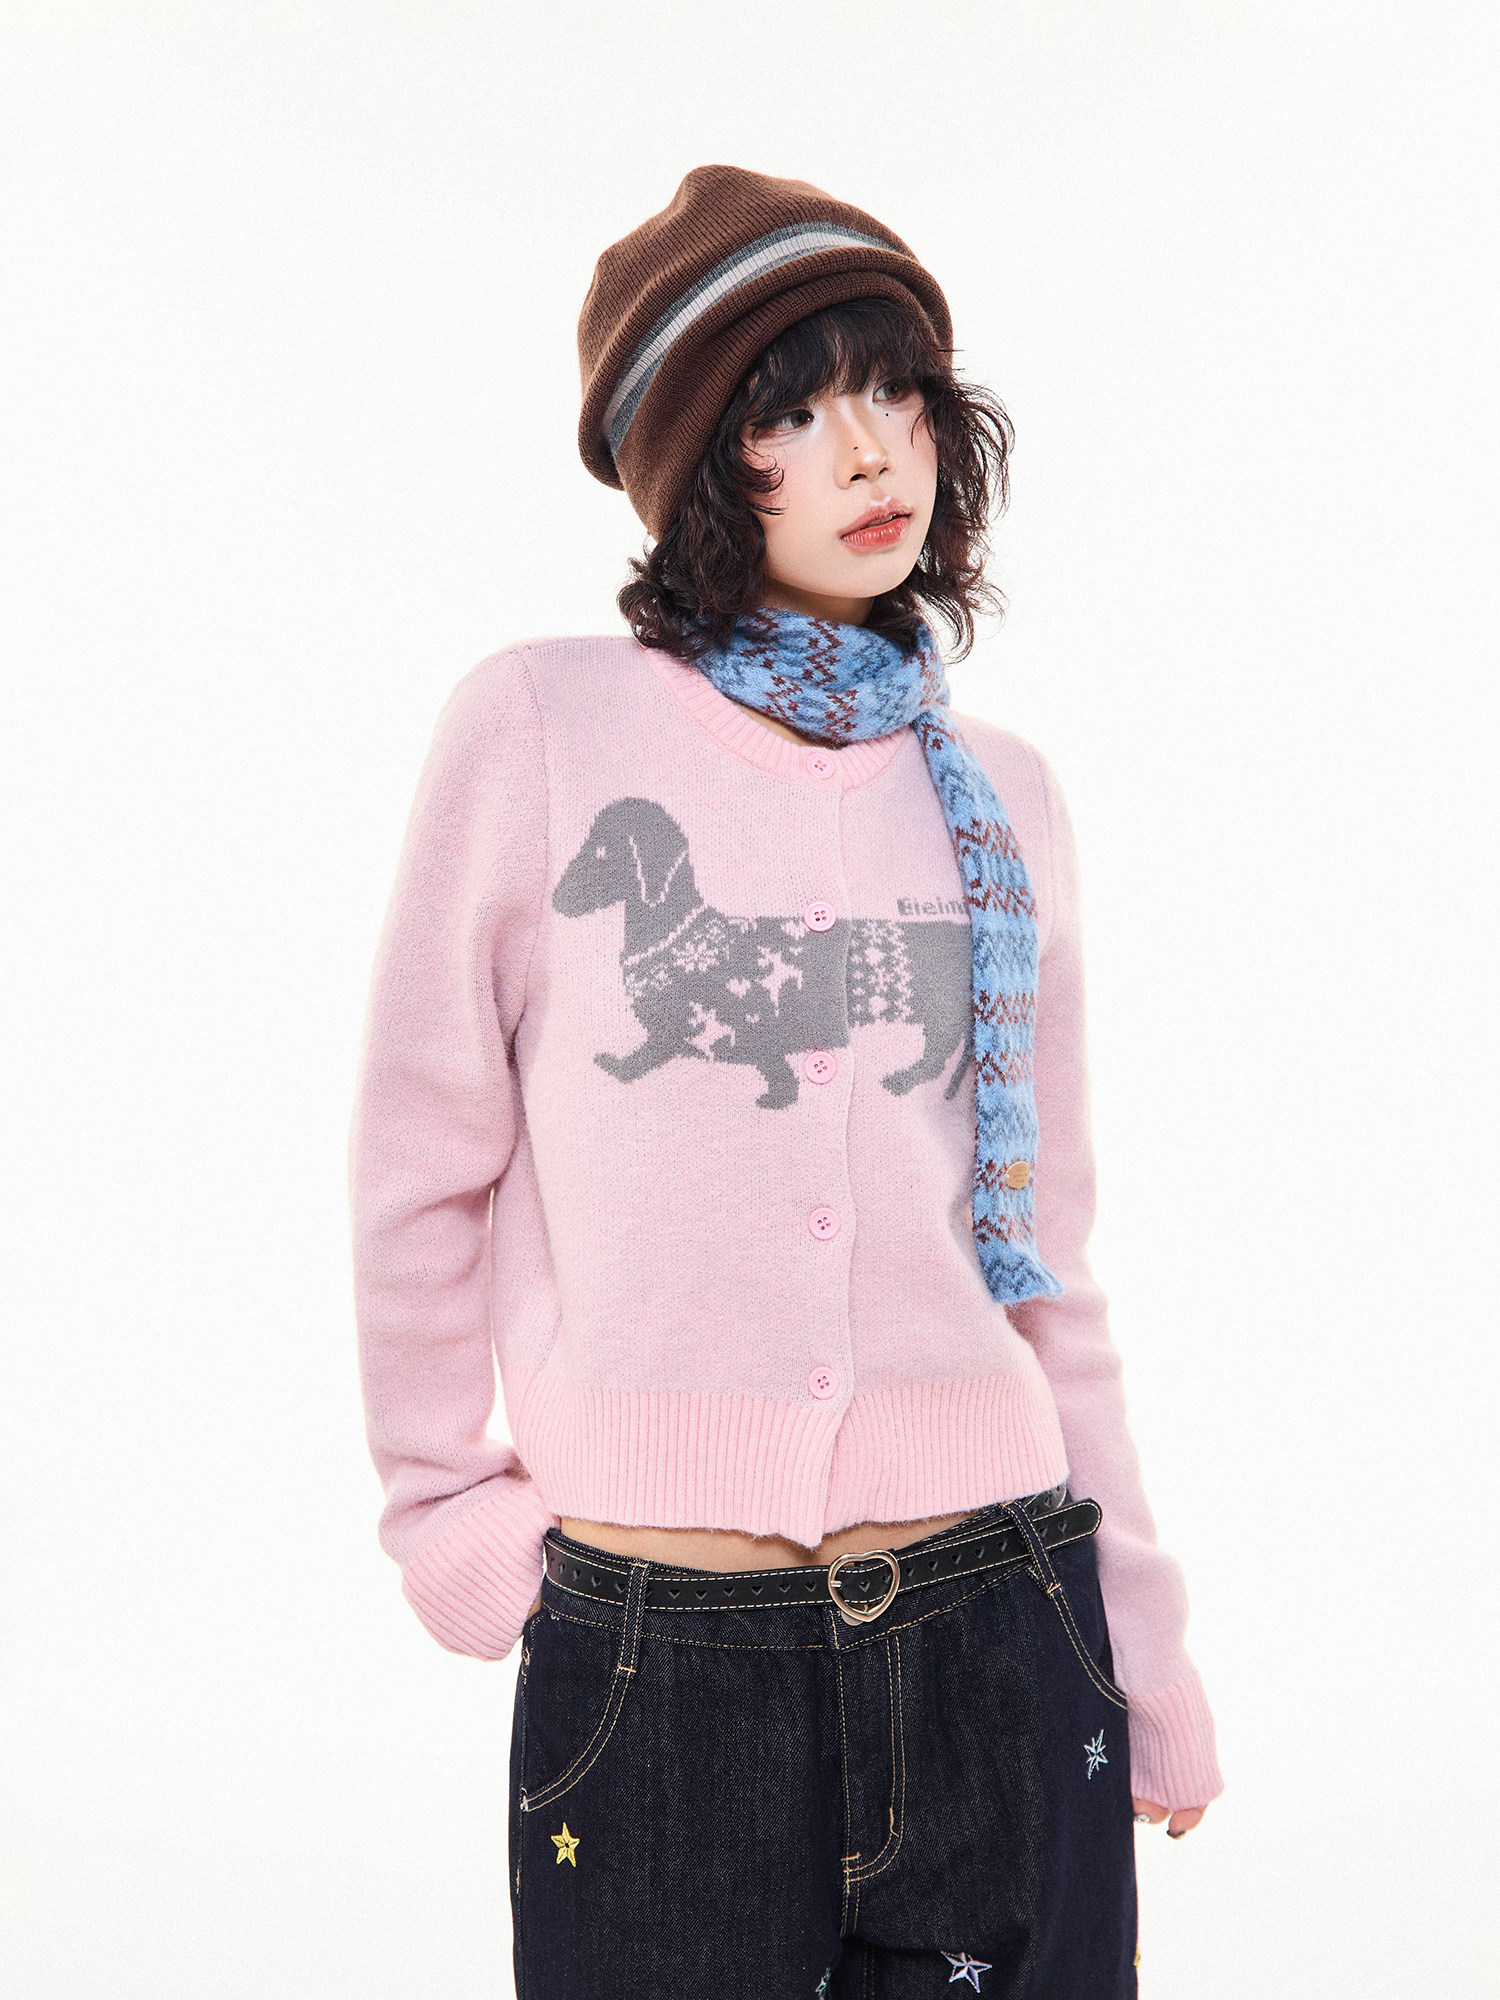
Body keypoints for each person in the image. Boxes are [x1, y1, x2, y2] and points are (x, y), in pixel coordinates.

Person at [349, 164, 1223, 1998]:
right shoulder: (541, 728)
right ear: (694, 466)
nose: (871, 452)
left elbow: (1043, 1261)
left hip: (1004, 1626)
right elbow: (424, 1159)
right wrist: (445, 1511)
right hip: (664, 1665)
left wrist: (1144, 1637)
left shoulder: (1006, 797)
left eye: (896, 392)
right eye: (794, 412)